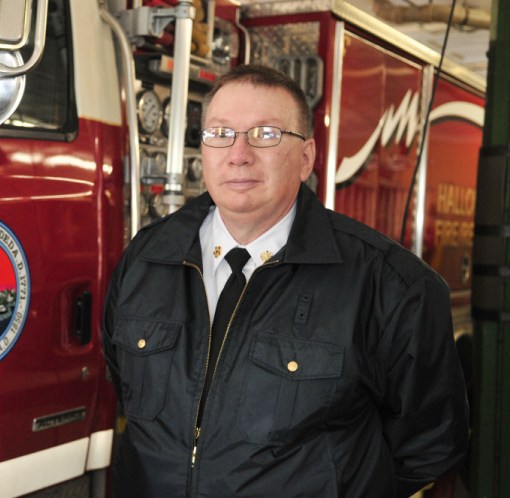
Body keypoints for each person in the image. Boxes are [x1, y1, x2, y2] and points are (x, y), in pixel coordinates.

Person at [101, 64, 469, 497]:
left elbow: (429, 445)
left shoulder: (388, 284)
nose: (238, 154)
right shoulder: (146, 260)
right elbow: (126, 393)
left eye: (266, 134)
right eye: (221, 134)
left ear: (306, 158)